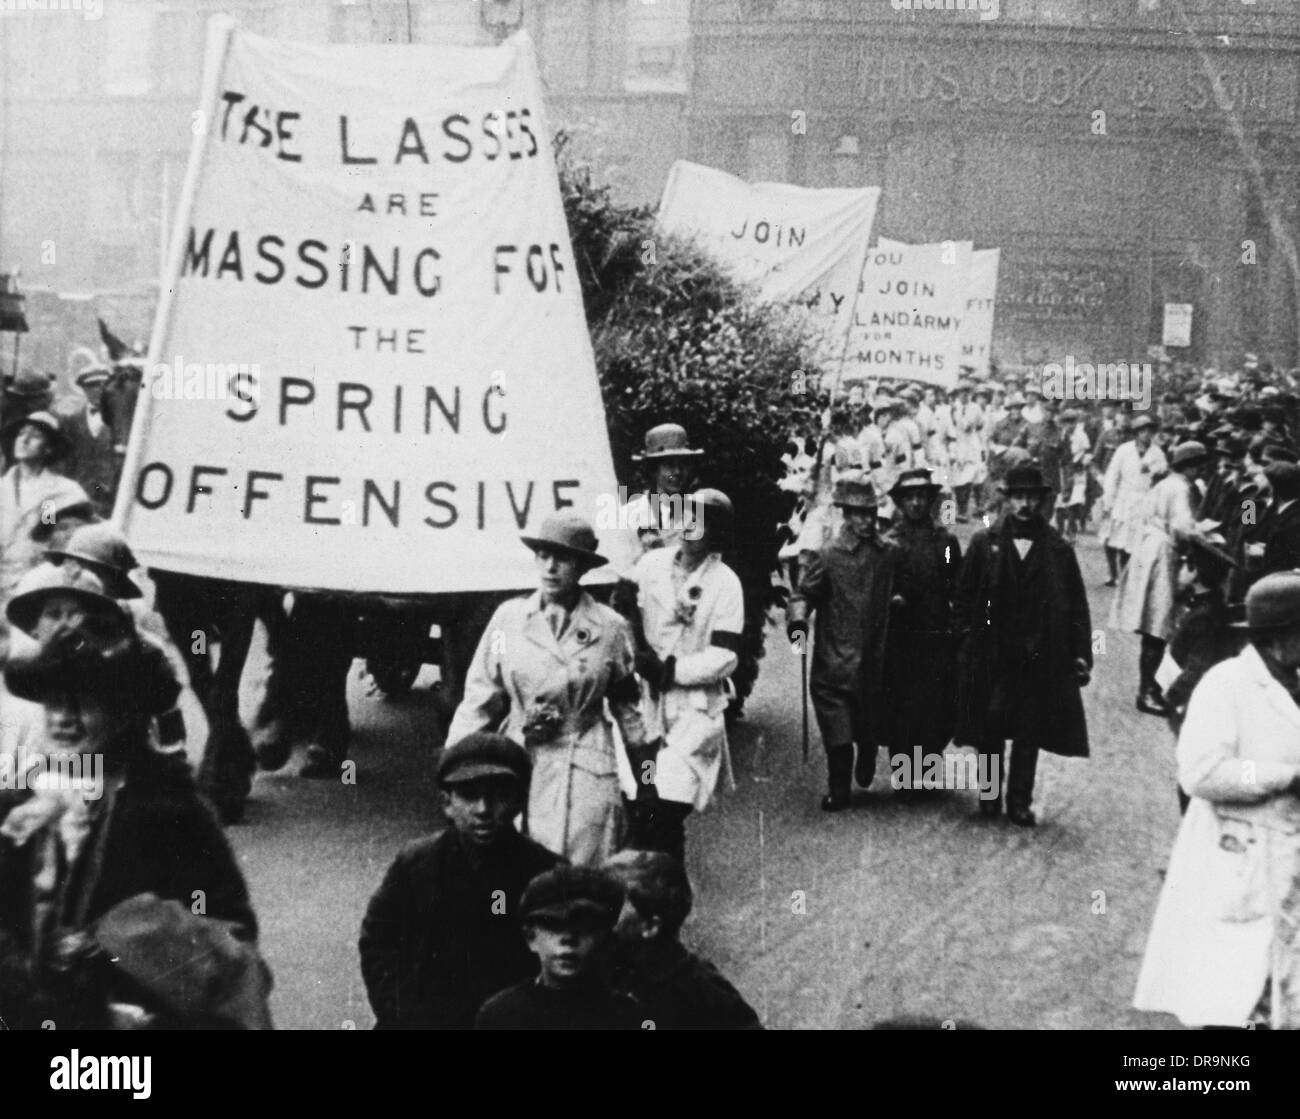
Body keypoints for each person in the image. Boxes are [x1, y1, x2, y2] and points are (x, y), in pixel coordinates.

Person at [0, 632, 269, 1029]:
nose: (63, 717)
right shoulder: (23, 799)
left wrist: (139, 942)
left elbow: (229, 937)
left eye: (83, 702)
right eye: (54, 701)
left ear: (125, 712)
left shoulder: (172, 811)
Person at [1133, 572, 1300, 1029]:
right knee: (1231, 996)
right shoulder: (1226, 685)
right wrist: (1283, 777)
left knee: (1280, 995)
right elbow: (1202, 771)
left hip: (1289, 858)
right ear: (1279, 637)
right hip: (1237, 857)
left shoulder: (1294, 686)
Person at [447, 513, 658, 866]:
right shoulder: (508, 620)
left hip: (586, 759)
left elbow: (632, 715)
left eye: (563, 559)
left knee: (585, 863)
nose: (550, 567)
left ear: (582, 568)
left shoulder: (610, 628)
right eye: (543, 556)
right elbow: (478, 700)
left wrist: (649, 785)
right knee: (512, 868)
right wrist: (451, 764)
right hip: (519, 758)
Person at [359, 732, 563, 1028]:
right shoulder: (417, 864)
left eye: (499, 795)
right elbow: (379, 942)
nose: (483, 809)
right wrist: (401, 1012)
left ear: (520, 801)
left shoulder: (544, 872)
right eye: (469, 795)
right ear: (447, 804)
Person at [954, 463, 1092, 827]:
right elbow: (964, 598)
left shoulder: (1058, 548)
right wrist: (966, 640)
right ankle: (988, 794)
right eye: (1019, 497)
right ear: (1008, 499)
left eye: (1032, 497)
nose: (1026, 504)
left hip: (1038, 656)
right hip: (992, 653)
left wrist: (1080, 654)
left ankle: (1019, 801)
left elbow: (1077, 604)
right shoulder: (986, 542)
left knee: (1029, 729)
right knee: (990, 727)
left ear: (1042, 501)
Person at [626, 489, 743, 863]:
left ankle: (668, 894)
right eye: (687, 517)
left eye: (703, 522)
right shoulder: (650, 566)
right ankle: (654, 891)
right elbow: (623, 611)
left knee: (668, 805)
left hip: (695, 709)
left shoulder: (726, 583)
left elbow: (725, 656)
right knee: (643, 805)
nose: (691, 527)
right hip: (646, 705)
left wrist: (671, 671)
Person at [787, 473, 898, 811]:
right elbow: (803, 593)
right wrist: (798, 620)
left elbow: (903, 586)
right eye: (858, 513)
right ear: (845, 515)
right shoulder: (828, 555)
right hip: (835, 656)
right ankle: (838, 788)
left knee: (867, 722)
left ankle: (867, 750)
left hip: (875, 656)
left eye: (870, 513)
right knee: (838, 729)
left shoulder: (889, 554)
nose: (866, 521)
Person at [604, 849, 760, 1029]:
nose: (597, 915)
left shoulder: (700, 990)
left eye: (612, 906)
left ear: (649, 926)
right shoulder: (603, 967)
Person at [475, 866, 643, 1029]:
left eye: (584, 926)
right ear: (531, 938)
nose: (567, 938)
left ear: (605, 938)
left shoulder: (624, 1015)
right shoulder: (502, 1014)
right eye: (553, 926)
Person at [1112, 441, 1209, 716]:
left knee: (1155, 626)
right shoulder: (1179, 488)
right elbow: (1181, 526)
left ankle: (1150, 688)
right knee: (1157, 625)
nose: (1199, 470)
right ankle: (1147, 691)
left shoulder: (1165, 483)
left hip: (1151, 549)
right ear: (1188, 466)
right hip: (1162, 553)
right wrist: (1201, 533)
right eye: (1198, 465)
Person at [882, 469, 961, 798]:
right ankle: (904, 777)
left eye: (922, 497)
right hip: (899, 637)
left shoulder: (944, 542)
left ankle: (927, 772)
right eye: (909, 497)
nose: (915, 503)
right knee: (900, 704)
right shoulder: (888, 543)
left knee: (935, 704)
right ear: (899, 502)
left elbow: (956, 581)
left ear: (931, 501)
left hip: (935, 633)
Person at [1161, 533, 1244, 814]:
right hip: (1221, 556)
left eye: (1186, 564)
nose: (1181, 569)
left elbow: (1198, 668)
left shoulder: (1252, 504)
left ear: (1195, 571)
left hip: (1195, 705)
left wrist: (1172, 696)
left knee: (1193, 772)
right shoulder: (1204, 606)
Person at [0, 411, 90, 599]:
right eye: (21, 433)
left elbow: (54, 538)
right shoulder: (3, 487)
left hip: (35, 585)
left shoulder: (61, 492)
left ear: (49, 448)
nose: (24, 440)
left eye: (35, 436)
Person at [618, 423, 705, 557]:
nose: (677, 472)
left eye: (682, 465)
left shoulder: (698, 514)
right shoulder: (628, 515)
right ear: (653, 470)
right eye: (669, 465)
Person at [1100, 414, 1165, 587]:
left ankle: (1125, 576)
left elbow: (1162, 477)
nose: (1146, 435)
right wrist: (1108, 499)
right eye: (1142, 431)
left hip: (1145, 501)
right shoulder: (1124, 450)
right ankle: (1112, 572)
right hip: (1123, 499)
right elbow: (1113, 475)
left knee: (1133, 543)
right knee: (1112, 538)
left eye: (1149, 431)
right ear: (1135, 433)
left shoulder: (1157, 453)